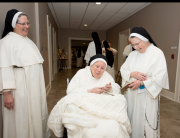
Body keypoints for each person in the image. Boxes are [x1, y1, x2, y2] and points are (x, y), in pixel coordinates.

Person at [48, 54, 131, 138]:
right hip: (84, 107)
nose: (99, 70)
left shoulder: (106, 75)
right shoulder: (81, 73)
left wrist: (110, 89)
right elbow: (70, 91)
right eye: (97, 66)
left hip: (101, 108)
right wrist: (89, 91)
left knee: (116, 123)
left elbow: (117, 89)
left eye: (102, 68)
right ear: (91, 65)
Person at [0, 9, 51, 138]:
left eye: (27, 23)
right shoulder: (6, 42)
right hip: (20, 89)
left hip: (34, 88)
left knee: (36, 115)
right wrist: (7, 94)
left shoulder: (29, 41)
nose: (27, 26)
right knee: (21, 119)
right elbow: (4, 68)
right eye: (22, 24)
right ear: (13, 24)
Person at [120, 27, 169, 138]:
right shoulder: (133, 54)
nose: (135, 47)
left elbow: (160, 76)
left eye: (137, 44)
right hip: (132, 95)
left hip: (147, 95)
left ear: (145, 39)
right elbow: (123, 69)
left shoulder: (157, 53)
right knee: (132, 117)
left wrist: (141, 83)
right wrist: (133, 74)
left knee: (145, 122)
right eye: (132, 45)